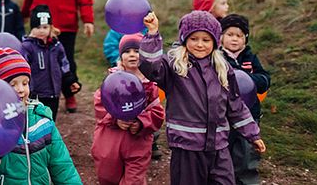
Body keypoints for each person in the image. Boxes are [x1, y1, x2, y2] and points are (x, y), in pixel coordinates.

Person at [138, 10, 266, 185]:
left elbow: (235, 105)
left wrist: (253, 134)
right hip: (187, 148)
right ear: (184, 39)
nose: (200, 44)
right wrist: (152, 34)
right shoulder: (174, 66)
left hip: (219, 147)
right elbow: (149, 66)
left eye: (206, 40)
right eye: (193, 39)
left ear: (215, 41)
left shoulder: (222, 68)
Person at [0, 47, 83, 184]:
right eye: (12, 85)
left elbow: (62, 166)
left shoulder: (41, 120)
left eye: (25, 83)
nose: (21, 90)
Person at [91, 33, 165, 185]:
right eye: (127, 51)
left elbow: (157, 113)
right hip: (110, 140)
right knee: (107, 177)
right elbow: (100, 104)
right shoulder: (112, 81)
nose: (132, 55)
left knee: (134, 180)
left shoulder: (150, 84)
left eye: (137, 51)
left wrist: (140, 122)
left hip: (137, 142)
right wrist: (115, 119)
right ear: (120, 56)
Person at [220, 14, 271, 185]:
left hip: (250, 114)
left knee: (247, 154)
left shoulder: (250, 57)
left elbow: (264, 79)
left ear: (245, 39)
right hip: (224, 115)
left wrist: (250, 80)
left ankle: (246, 181)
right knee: (223, 154)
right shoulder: (217, 58)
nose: (234, 39)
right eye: (230, 34)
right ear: (221, 37)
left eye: (239, 35)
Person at [19, 5, 81, 120]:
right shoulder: (27, 47)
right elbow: (22, 69)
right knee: (36, 122)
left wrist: (70, 80)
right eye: (37, 27)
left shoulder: (56, 46)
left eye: (45, 27)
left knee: (51, 120)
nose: (41, 30)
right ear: (32, 28)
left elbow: (64, 64)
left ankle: (50, 137)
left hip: (53, 93)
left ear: (50, 28)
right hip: (35, 94)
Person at [102, 0, 149, 67]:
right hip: (123, 66)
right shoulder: (118, 28)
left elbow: (154, 46)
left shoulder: (147, 28)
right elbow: (110, 46)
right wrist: (118, 59)